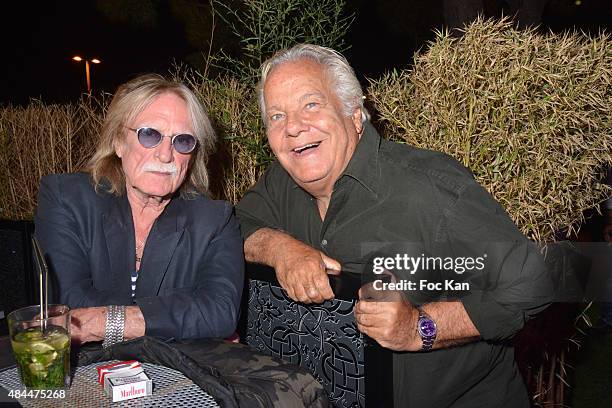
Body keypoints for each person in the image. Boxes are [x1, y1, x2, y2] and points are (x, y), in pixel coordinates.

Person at [236, 44, 554, 407]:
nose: (293, 127)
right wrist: (280, 248)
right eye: (277, 116)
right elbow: (233, 227)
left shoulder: (429, 190)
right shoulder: (279, 184)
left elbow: (532, 280)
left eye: (311, 104)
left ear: (354, 114)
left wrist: (420, 327)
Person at [36, 74, 244, 347]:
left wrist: (104, 322)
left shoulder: (214, 220)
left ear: (193, 156)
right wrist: (182, 318)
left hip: (174, 373)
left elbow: (220, 312)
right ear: (119, 142)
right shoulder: (67, 199)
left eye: (182, 141)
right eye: (150, 135)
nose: (166, 155)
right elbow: (67, 306)